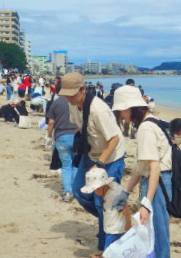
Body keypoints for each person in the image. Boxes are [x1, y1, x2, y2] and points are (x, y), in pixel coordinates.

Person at [60, 73, 125, 254]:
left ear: (83, 90)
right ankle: (110, 220)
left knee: (102, 201)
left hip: (110, 158)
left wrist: (101, 163)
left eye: (72, 94)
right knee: (79, 191)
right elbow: (80, 126)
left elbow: (114, 138)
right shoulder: (72, 104)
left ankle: (106, 248)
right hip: (91, 154)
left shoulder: (98, 109)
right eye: (66, 94)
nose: (69, 98)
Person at [111, 85, 172, 258]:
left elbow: (154, 167)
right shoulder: (152, 120)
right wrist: (126, 191)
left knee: (157, 235)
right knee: (154, 233)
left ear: (130, 108)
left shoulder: (145, 128)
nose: (121, 116)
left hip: (157, 183)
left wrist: (147, 203)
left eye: (122, 111)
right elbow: (141, 166)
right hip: (159, 181)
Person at [81, 168, 131, 252]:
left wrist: (128, 223)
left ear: (101, 187)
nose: (95, 192)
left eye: (95, 190)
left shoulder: (114, 194)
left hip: (115, 229)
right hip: (113, 227)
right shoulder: (112, 187)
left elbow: (125, 207)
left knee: (109, 251)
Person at [46, 81, 78, 202]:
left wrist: (49, 136)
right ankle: (74, 190)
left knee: (66, 166)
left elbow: (51, 122)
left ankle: (67, 192)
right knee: (75, 165)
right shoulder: (76, 102)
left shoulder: (56, 103)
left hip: (61, 136)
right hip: (76, 136)